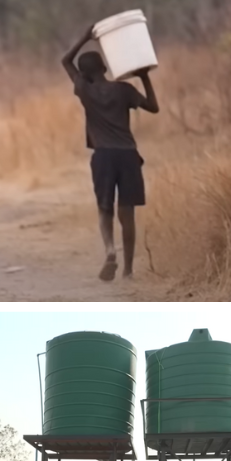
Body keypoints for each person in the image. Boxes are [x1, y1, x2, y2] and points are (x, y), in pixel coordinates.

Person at [62, 24, 159, 282]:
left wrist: (85, 35)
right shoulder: (123, 90)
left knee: (104, 208)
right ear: (105, 68)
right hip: (128, 155)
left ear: (83, 74)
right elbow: (153, 107)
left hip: (103, 156)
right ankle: (127, 270)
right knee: (127, 213)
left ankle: (109, 251)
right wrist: (144, 76)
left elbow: (65, 60)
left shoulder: (84, 89)